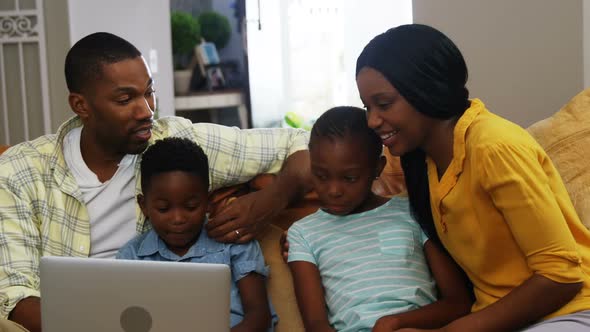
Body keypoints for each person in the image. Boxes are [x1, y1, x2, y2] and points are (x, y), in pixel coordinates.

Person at [0, 32, 310, 332]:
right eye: (125, 99)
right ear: (81, 105)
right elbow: (15, 296)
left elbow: (302, 141)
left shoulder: (177, 144)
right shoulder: (19, 172)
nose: (147, 110)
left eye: (149, 92)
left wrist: (273, 199)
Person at [355, 24, 590, 331]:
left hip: (571, 311)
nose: (372, 120)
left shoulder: (494, 146)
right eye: (367, 107)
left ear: (426, 88)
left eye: (383, 104)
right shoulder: (423, 162)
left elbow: (561, 276)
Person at [287, 106, 472, 332]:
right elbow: (316, 325)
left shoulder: (413, 211)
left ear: (377, 168)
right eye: (321, 176)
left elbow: (458, 303)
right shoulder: (303, 233)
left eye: (350, 178)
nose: (333, 190)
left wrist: (396, 322)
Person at [117, 137, 276, 331]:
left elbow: (259, 316)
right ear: (144, 206)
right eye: (163, 208)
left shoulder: (234, 243)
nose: (178, 218)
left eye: (191, 206)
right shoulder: (131, 257)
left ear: (208, 201)